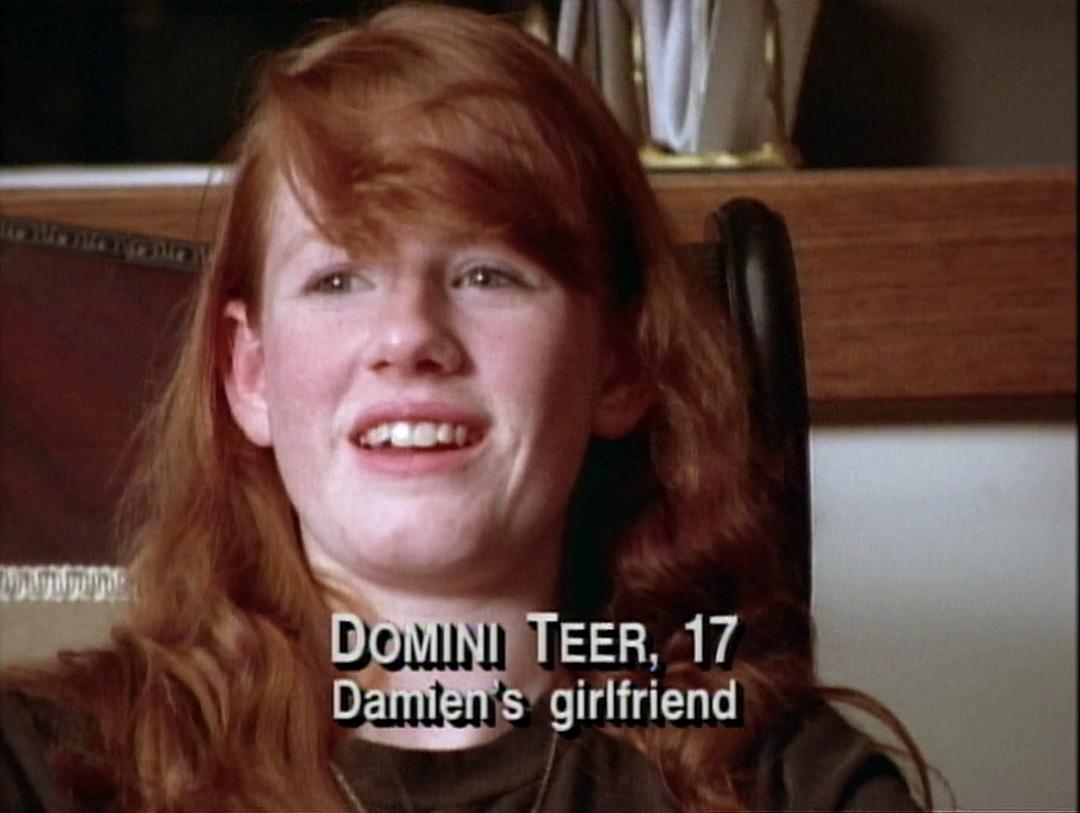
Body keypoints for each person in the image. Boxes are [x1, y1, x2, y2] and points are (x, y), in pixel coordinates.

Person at [0, 5, 931, 811]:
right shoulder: (45, 766)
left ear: (619, 364)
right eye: (338, 279)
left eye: (489, 274)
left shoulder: (789, 783)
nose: (409, 335)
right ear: (250, 375)